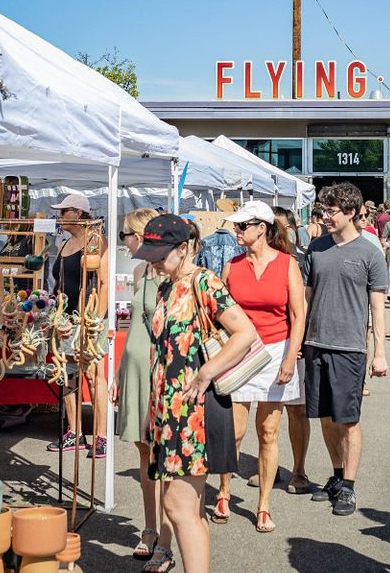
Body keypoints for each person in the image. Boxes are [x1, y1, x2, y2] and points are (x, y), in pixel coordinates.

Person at [138, 213, 257, 573]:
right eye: (151, 254)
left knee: (177, 506)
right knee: (186, 510)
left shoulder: (204, 282)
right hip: (168, 409)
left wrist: (206, 371)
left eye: (160, 254)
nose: (153, 261)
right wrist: (151, 410)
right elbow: (159, 351)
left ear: (185, 247)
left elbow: (245, 333)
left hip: (193, 410)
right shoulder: (166, 286)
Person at [213, 201, 308, 532]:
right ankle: (224, 491)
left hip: (275, 351)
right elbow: (220, 314)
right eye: (236, 226)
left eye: (242, 226)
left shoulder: (287, 265)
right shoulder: (232, 265)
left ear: (261, 228)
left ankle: (264, 504)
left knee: (268, 431)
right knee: (235, 431)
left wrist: (289, 357)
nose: (237, 231)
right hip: (240, 352)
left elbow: (298, 315)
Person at [304, 182, 388, 517]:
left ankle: (350, 488)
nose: (325, 217)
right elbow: (306, 300)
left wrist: (380, 353)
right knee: (325, 418)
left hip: (350, 349)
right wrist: (299, 341)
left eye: (331, 211)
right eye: (323, 210)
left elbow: (378, 308)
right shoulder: (315, 248)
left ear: (351, 213)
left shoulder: (371, 253)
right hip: (315, 344)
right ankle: (337, 476)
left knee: (348, 420)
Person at [113, 207, 175, 573]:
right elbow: (135, 326)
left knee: (162, 458)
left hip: (161, 373)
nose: (124, 241)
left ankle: (165, 540)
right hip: (134, 369)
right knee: (143, 454)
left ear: (141, 236)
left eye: (125, 234)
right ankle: (150, 527)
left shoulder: (170, 276)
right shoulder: (139, 273)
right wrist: (119, 373)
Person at [46, 192, 111, 458]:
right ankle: (75, 432)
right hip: (64, 319)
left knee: (94, 377)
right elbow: (59, 284)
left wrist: (93, 320)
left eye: (64, 212)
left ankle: (101, 435)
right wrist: (52, 313)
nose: (60, 217)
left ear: (78, 213)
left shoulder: (96, 242)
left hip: (88, 319)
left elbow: (104, 284)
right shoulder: (64, 244)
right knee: (67, 375)